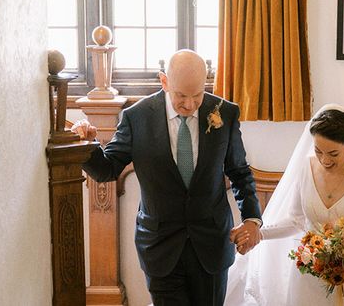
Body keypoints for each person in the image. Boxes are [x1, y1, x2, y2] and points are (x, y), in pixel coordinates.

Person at [73, 49, 262, 306]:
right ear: (164, 82)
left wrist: (252, 219)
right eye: (181, 96)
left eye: (197, 95)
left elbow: (239, 173)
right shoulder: (137, 117)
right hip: (160, 245)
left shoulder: (224, 113)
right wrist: (87, 145)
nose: (189, 104)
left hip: (211, 245)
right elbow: (107, 169)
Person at [224, 105, 344, 305]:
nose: (325, 160)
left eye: (333, 154)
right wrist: (259, 234)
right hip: (308, 275)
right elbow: (295, 221)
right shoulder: (305, 169)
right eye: (318, 151)